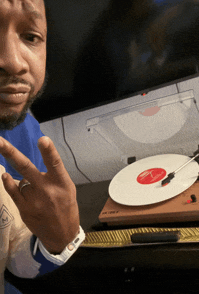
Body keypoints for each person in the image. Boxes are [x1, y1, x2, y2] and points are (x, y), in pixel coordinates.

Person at [0, 0, 85, 293]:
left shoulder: (23, 128)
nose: (14, 62)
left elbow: (12, 253)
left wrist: (55, 241)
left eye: (30, 36)